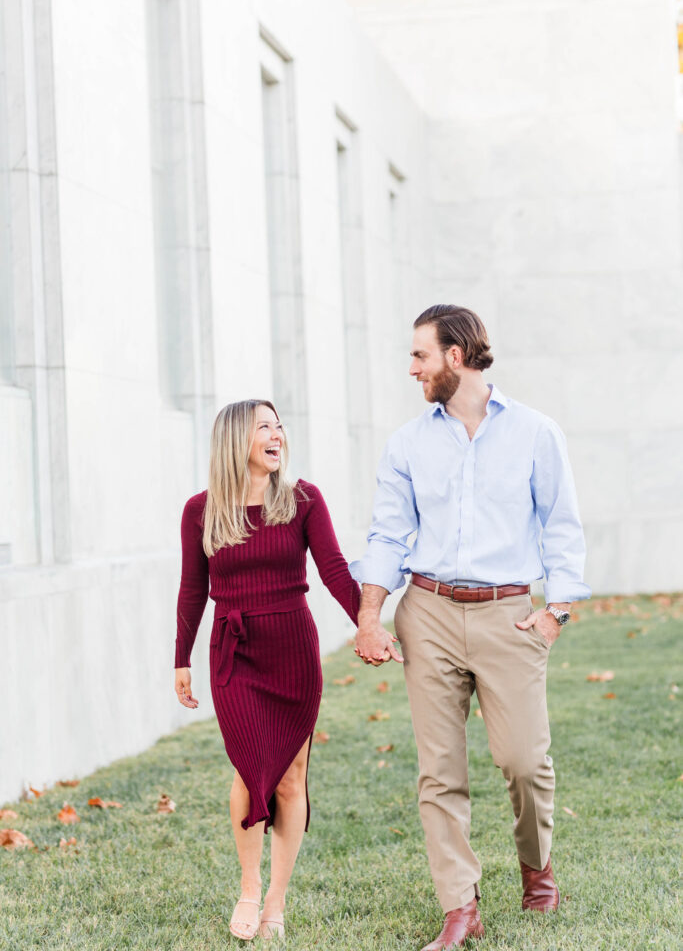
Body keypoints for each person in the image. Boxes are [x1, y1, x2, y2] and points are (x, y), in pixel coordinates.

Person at [352, 304, 590, 950]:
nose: (411, 369)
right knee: (439, 771)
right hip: (426, 611)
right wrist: (370, 615)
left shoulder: (536, 433)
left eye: (419, 356)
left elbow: (561, 526)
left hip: (507, 613)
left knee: (521, 761)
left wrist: (555, 611)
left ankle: (535, 869)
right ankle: (460, 906)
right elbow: (386, 534)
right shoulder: (406, 443)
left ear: (454, 356)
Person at [174, 399, 359, 942]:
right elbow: (192, 590)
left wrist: (368, 624)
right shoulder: (200, 511)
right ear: (238, 441)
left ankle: (276, 900)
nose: (277, 434)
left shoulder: (303, 500)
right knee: (248, 765)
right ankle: (249, 886)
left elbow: (334, 571)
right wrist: (180, 658)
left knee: (291, 774)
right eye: (264, 427)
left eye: (280, 426)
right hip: (233, 653)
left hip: (292, 650)